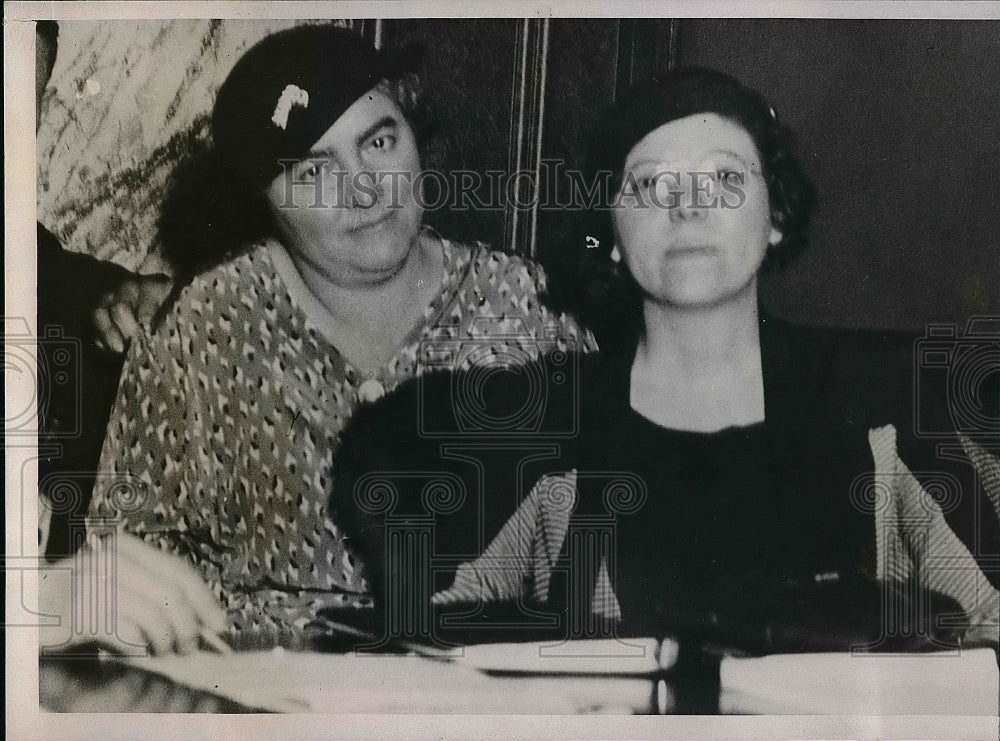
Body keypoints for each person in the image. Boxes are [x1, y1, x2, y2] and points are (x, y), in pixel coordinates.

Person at [334, 68, 999, 649]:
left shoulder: (878, 401)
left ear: (775, 215)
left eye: (724, 178)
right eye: (651, 184)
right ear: (613, 236)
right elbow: (438, 647)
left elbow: (989, 621)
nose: (687, 206)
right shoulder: (540, 426)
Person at [87, 24, 593, 652]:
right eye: (313, 171)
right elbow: (123, 566)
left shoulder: (528, 308)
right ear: (264, 198)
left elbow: (591, 560)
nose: (364, 189)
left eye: (379, 142)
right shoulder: (203, 327)